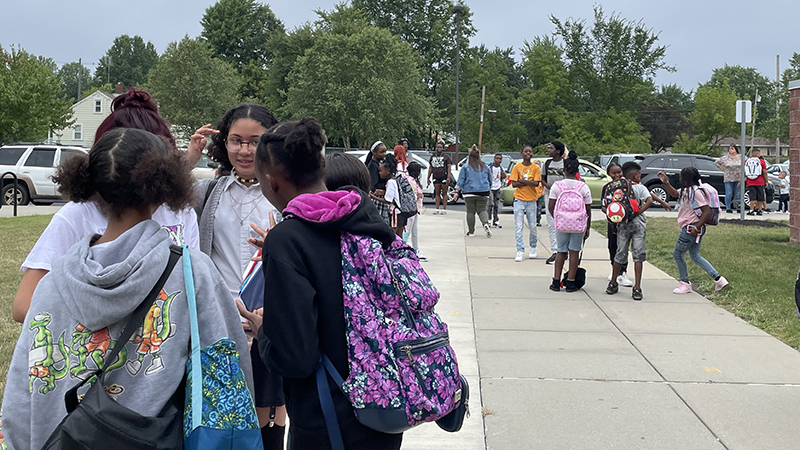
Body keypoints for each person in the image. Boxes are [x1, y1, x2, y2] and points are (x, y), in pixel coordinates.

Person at [1, 128, 253, 450]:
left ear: (91, 188)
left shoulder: (52, 284)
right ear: (165, 187)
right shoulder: (193, 274)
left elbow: (21, 399)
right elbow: (231, 381)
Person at [238, 117, 403, 450]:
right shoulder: (365, 218)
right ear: (322, 165)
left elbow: (297, 357)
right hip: (385, 406)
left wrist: (264, 328)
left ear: (271, 183)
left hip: (327, 419)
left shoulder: (287, 240)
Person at [12, 88, 199, 324]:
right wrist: (97, 323)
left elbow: (193, 293)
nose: (128, 159)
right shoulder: (76, 215)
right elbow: (23, 306)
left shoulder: (182, 214)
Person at [188, 104, 286, 448]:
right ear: (224, 144)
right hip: (220, 322)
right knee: (223, 420)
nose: (244, 150)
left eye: (255, 141)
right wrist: (188, 159)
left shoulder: (283, 194)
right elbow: (157, 200)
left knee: (270, 415)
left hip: (269, 320)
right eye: (236, 140)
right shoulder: (206, 193)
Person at [657, 167, 729, 294]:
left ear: (686, 179)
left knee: (677, 254)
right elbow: (674, 194)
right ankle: (719, 279)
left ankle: (684, 283)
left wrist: (697, 228)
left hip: (691, 227)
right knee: (695, 256)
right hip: (692, 227)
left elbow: (706, 211)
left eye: (681, 176)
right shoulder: (686, 190)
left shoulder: (696, 192)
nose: (679, 179)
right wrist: (665, 182)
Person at [605, 162, 653, 301]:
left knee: (620, 253)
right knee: (638, 255)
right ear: (634, 175)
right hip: (638, 224)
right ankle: (637, 287)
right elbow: (649, 200)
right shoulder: (640, 187)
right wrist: (638, 212)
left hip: (623, 224)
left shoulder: (618, 188)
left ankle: (613, 282)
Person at [547, 151, 591, 292]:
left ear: (564, 170)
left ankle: (555, 281)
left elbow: (550, 206)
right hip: (578, 225)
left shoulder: (557, 186)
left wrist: (559, 218)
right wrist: (587, 227)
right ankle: (570, 283)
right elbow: (588, 209)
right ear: (577, 170)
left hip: (562, 224)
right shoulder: (583, 187)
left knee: (561, 252)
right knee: (574, 252)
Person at [508, 145, 541, 262]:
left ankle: (533, 247)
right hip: (519, 199)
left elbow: (536, 183)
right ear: (521, 153)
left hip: (532, 200)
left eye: (530, 152)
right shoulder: (517, 167)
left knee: (533, 226)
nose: (528, 153)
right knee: (519, 226)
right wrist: (527, 182)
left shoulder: (536, 168)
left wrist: (522, 181)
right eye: (526, 151)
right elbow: (514, 184)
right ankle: (520, 250)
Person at [601, 163, 631, 286]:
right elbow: (603, 206)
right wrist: (610, 212)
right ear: (609, 174)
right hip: (612, 222)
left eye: (619, 172)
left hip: (625, 223)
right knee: (612, 246)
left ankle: (623, 272)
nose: (617, 175)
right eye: (614, 173)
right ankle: (614, 269)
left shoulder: (627, 186)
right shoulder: (607, 187)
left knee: (622, 247)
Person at [454, 145, 493, 237]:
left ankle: (471, 231)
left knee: (470, 211)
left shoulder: (466, 167)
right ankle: (485, 223)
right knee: (482, 210)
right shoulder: (485, 166)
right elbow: (490, 179)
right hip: (483, 191)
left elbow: (461, 180)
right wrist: (489, 188)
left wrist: (456, 191)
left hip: (469, 192)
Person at [541, 141, 567, 264]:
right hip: (549, 195)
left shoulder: (565, 163)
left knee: (564, 222)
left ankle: (564, 249)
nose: (549, 150)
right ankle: (555, 251)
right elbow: (542, 178)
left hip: (564, 197)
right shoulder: (547, 163)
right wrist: (547, 185)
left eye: (551, 148)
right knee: (551, 222)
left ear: (558, 151)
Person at [370, 154, 408, 236]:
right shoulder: (396, 179)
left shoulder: (390, 182)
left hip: (395, 213)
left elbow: (387, 200)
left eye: (381, 171)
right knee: (399, 236)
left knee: (391, 236)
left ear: (387, 170)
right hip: (402, 213)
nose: (379, 173)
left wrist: (374, 197)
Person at [405, 161, 428, 261]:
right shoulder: (409, 181)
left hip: (415, 209)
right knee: (407, 231)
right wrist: (417, 196)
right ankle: (403, 249)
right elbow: (409, 194)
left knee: (414, 231)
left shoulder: (413, 180)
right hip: (410, 209)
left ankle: (415, 249)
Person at [427, 141, 452, 215]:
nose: (439, 148)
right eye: (438, 147)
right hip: (435, 176)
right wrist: (428, 177)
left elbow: (449, 167)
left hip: (443, 176)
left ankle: (444, 209)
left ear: (443, 148)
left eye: (440, 147)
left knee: (444, 192)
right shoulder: (433, 157)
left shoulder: (446, 157)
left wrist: (448, 177)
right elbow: (430, 167)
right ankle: (437, 208)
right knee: (437, 193)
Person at [715, 144, 741, 213]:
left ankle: (738, 207)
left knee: (738, 193)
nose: (731, 150)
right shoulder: (725, 158)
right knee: (728, 193)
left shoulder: (741, 157)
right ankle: (728, 208)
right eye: (729, 149)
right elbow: (717, 163)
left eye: (732, 148)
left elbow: (746, 163)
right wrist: (723, 169)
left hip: (738, 178)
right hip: (728, 178)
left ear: (736, 149)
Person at [745, 149, 768, 215]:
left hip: (750, 182)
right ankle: (759, 210)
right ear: (758, 154)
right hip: (759, 181)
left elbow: (744, 171)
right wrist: (766, 181)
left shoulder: (746, 161)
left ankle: (751, 210)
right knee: (760, 196)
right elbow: (764, 172)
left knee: (752, 196)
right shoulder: (761, 161)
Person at [487, 153, 507, 228]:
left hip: (497, 187)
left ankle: (495, 221)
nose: (498, 160)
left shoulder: (501, 168)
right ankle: (488, 219)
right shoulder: (490, 167)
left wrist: (503, 175)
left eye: (500, 159)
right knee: (490, 204)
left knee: (496, 204)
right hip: (490, 188)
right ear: (494, 159)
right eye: (497, 158)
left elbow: (503, 176)